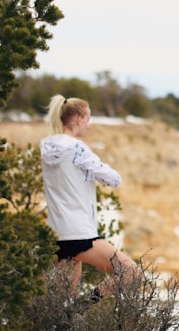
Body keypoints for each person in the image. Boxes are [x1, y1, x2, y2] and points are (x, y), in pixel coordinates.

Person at [41, 94, 140, 298]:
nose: (88, 125)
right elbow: (113, 179)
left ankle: (74, 311)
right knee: (131, 273)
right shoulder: (77, 148)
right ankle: (86, 304)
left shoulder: (47, 148)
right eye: (88, 119)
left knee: (64, 305)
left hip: (56, 234)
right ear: (79, 119)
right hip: (79, 234)